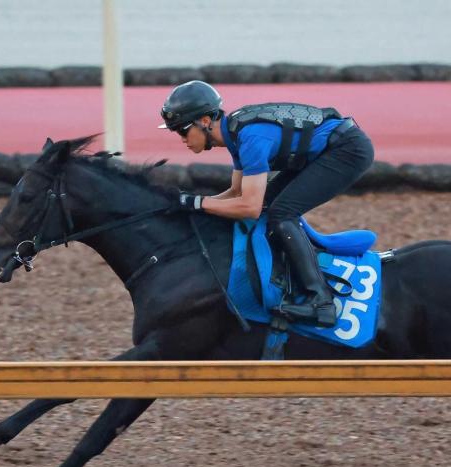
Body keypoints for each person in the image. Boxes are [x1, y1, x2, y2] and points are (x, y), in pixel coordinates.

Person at [158, 80, 374, 328]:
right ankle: (287, 281)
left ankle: (321, 302)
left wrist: (196, 203)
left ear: (205, 121)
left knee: (281, 214)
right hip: (328, 149)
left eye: (182, 130)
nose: (181, 138)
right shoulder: (235, 133)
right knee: (270, 207)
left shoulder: (249, 137)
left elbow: (248, 206)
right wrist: (187, 205)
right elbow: (235, 192)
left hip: (348, 150)